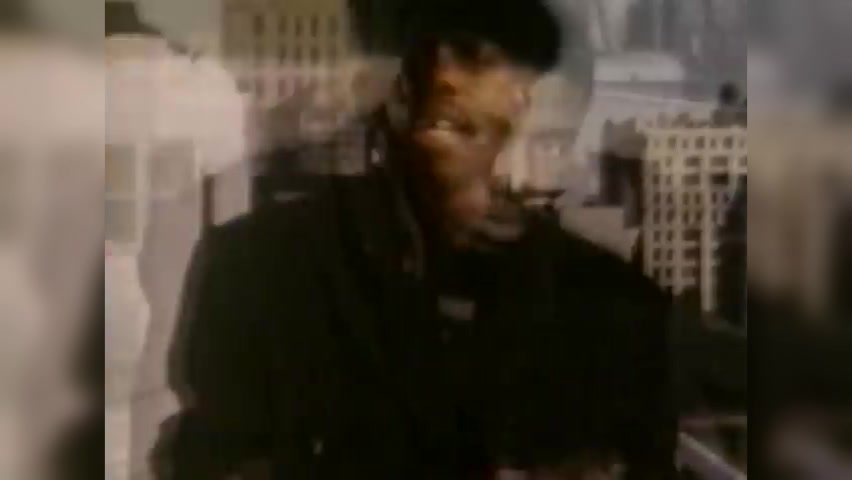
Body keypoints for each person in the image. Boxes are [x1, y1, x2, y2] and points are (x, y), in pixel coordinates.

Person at [155, 26, 676, 480]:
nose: (511, 176)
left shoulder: (619, 314)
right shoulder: (262, 272)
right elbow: (209, 459)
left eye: (551, 143)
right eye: (475, 133)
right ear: (404, 105)